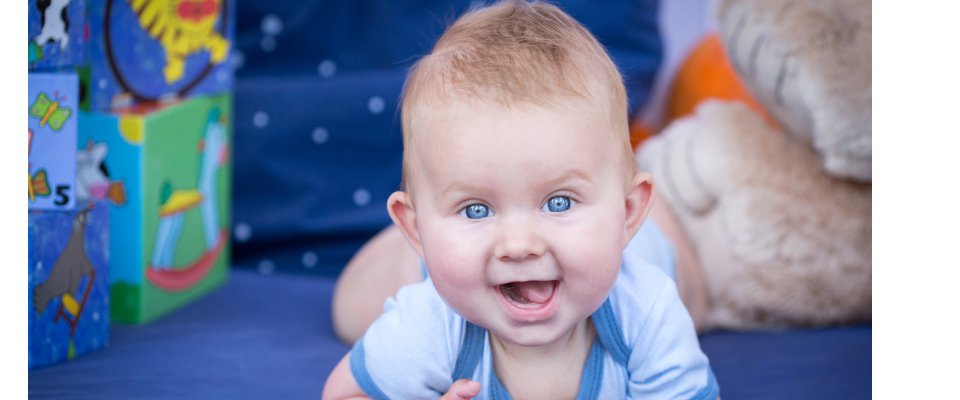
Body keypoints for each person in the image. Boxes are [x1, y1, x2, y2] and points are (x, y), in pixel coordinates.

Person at [323, 1, 718, 398]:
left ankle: (648, 208)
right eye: (476, 208)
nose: (519, 244)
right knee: (352, 309)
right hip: (450, 268)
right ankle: (419, 240)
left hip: (644, 246)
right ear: (414, 227)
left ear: (629, 211)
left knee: (696, 302)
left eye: (559, 202)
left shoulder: (647, 311)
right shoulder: (429, 325)